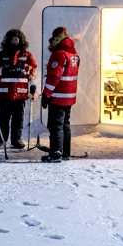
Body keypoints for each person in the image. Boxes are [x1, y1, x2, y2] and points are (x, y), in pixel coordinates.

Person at [40, 26, 80, 162]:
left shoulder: (59, 54)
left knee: (55, 125)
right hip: (69, 96)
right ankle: (65, 153)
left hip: (58, 96)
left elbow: (54, 77)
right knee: (65, 124)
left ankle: (56, 153)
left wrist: (46, 94)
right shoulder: (73, 54)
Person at [0, 29, 37, 149]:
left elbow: (33, 70)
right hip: (5, 94)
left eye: (17, 39)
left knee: (18, 119)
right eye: (12, 39)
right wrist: (4, 69)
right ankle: (1, 140)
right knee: (3, 118)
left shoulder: (26, 55)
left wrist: (32, 83)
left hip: (20, 94)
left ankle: (16, 140)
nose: (15, 41)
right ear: (8, 40)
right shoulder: (1, 55)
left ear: (21, 40)